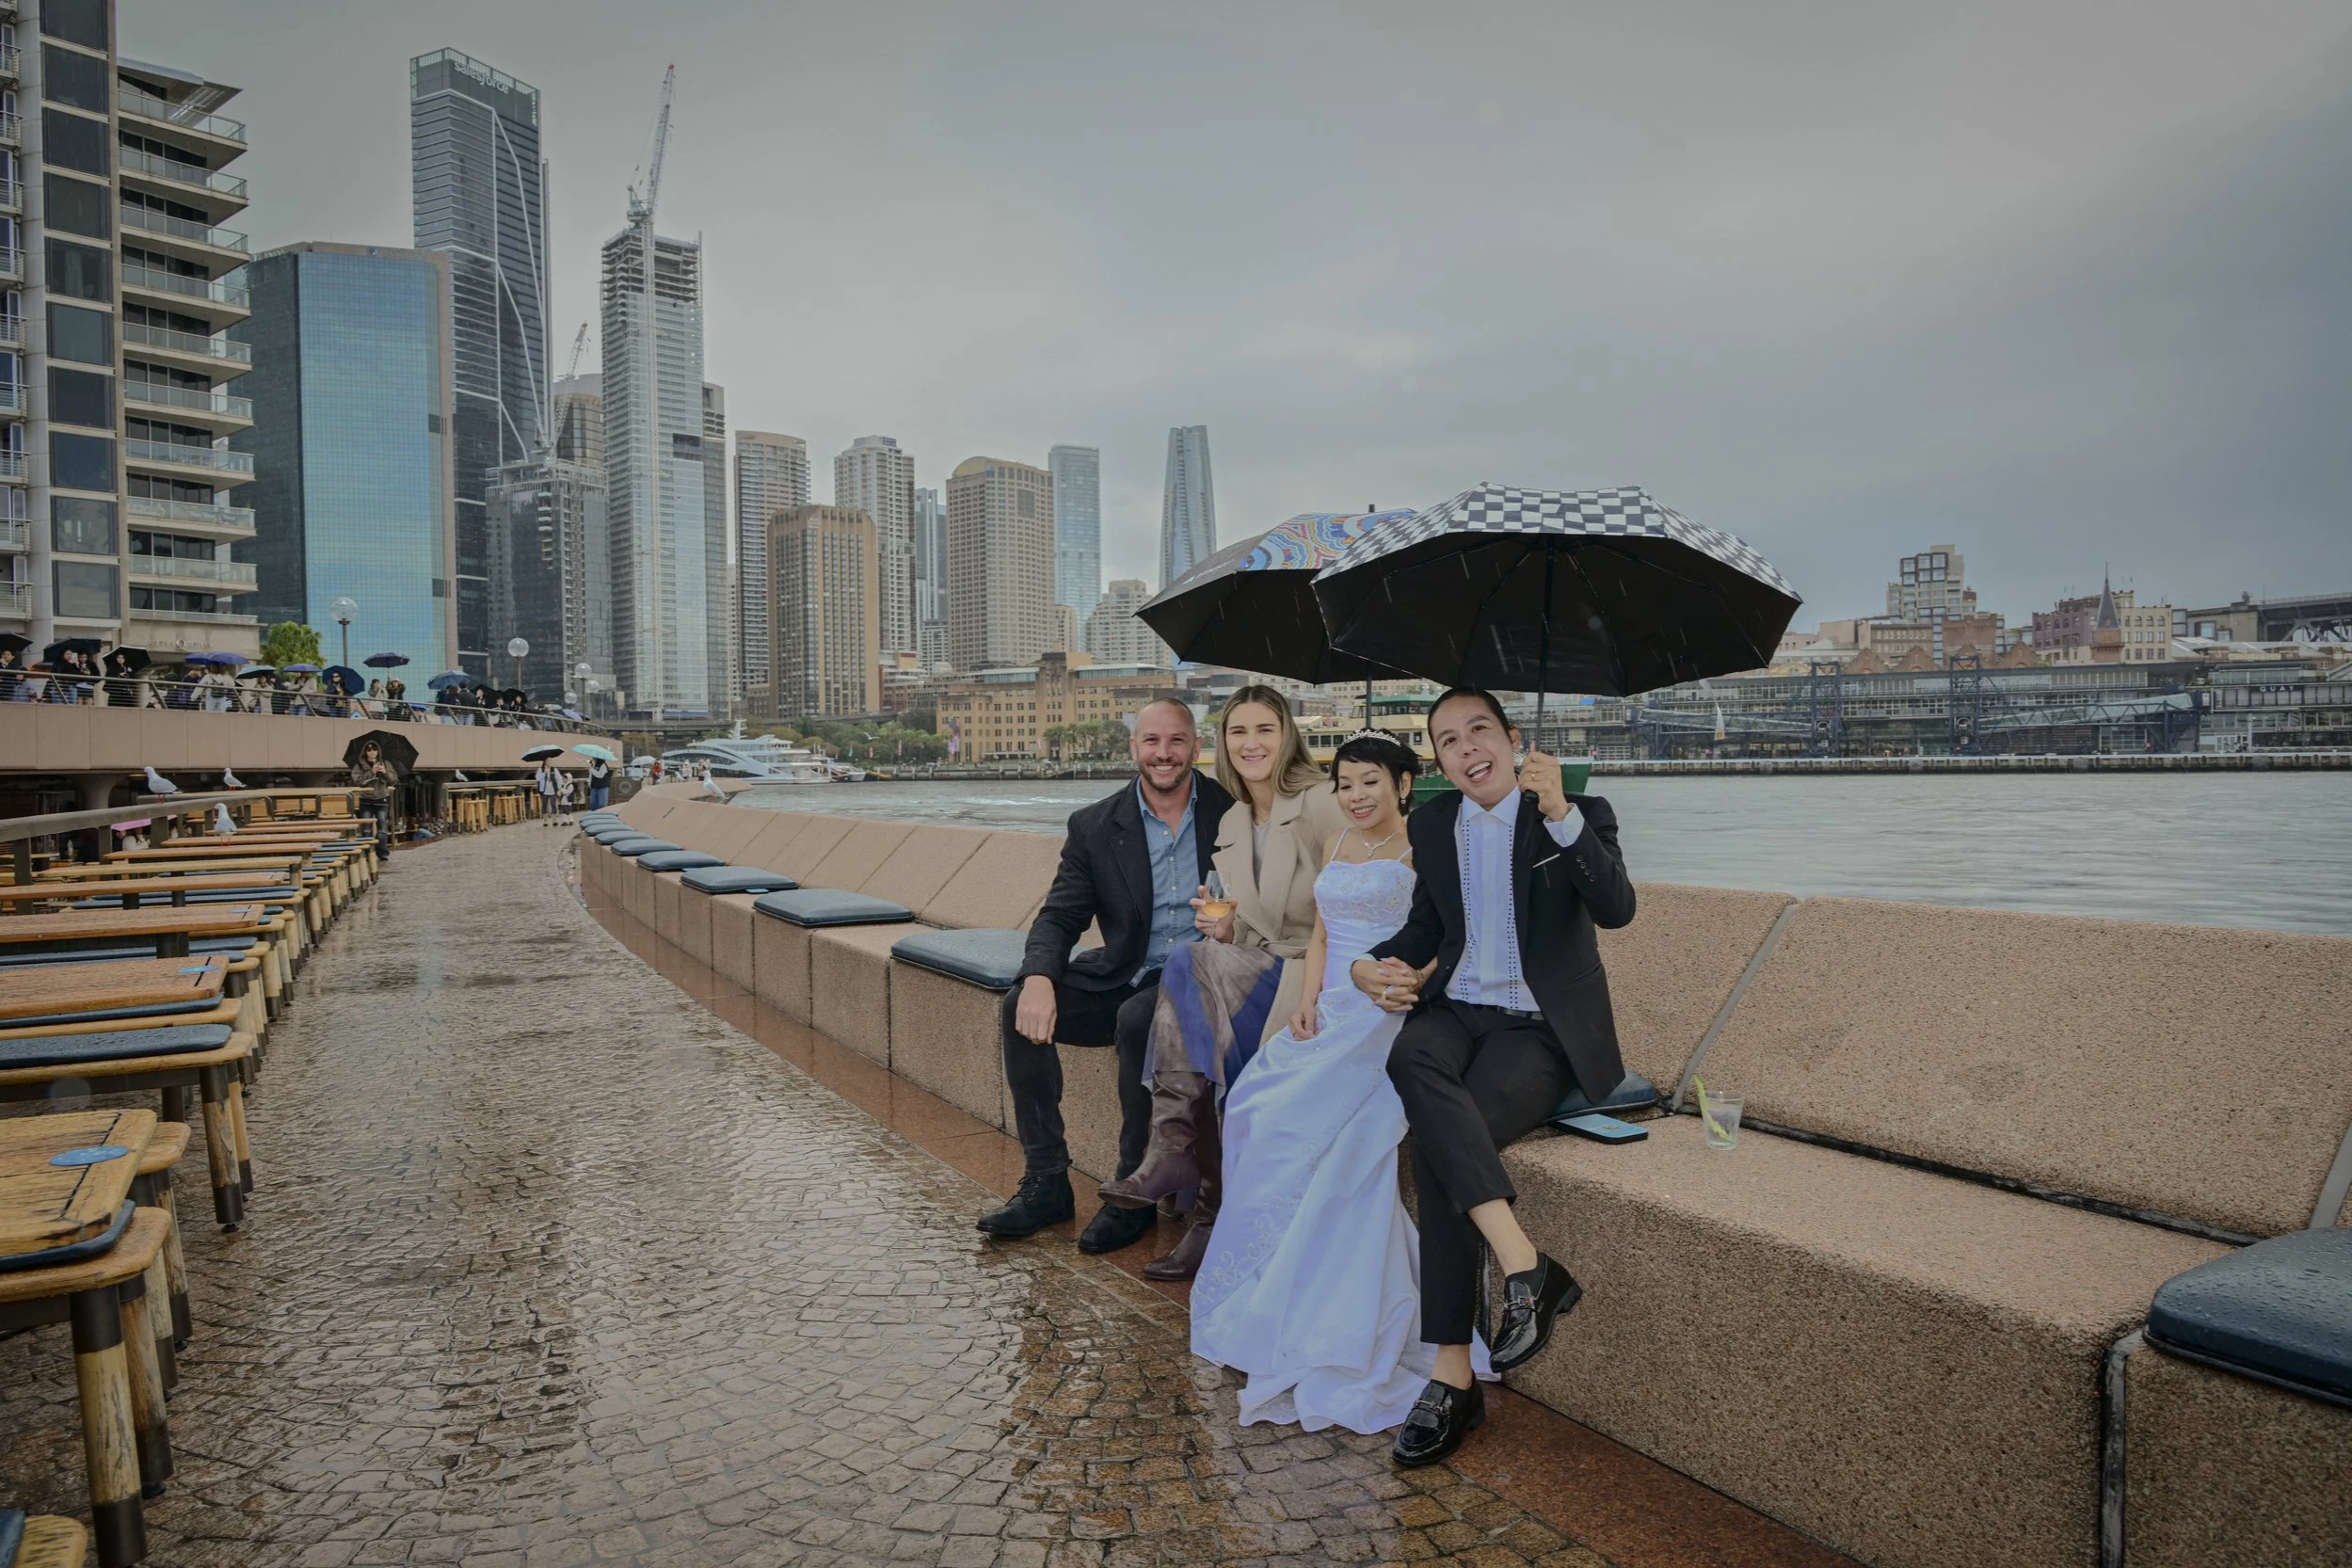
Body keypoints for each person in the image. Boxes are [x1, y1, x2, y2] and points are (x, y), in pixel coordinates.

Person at [1360, 686, 1636, 1468]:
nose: (1466, 748)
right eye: (1447, 740)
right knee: (1407, 1053)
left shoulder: (1576, 811)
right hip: (1459, 1009)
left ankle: (1451, 1375)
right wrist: (1364, 964)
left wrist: (1560, 814)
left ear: (1513, 739)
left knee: (1449, 1143)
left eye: (1479, 730)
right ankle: (1526, 1265)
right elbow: (1426, 930)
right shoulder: (1434, 822)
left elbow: (1616, 908)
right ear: (1439, 761)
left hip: (1538, 1029)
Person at [1192, 729, 1464, 1432]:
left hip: (1382, 1010)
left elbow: (1442, 935)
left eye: (1369, 781)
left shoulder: (1423, 848)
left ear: (1403, 784)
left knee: (1299, 1124)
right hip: (1331, 1001)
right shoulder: (1339, 844)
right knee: (1253, 1100)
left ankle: (1318, 1309)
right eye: (1344, 783)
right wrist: (1308, 1000)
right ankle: (1258, 1275)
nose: (1355, 795)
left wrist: (1406, 985)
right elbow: (1319, 933)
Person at [1096, 685, 1345, 1281]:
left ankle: (1174, 1159)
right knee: (1194, 994)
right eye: (1238, 732)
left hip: (1314, 979)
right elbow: (1251, 929)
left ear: (1287, 735)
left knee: (1186, 969)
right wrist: (1230, 928)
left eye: (1264, 729)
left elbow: (1349, 909)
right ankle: (1203, 1201)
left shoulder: (1321, 804)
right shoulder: (1233, 820)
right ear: (1223, 745)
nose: (1251, 743)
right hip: (1255, 969)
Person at [977, 698, 1235, 1254]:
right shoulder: (1096, 824)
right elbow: (1061, 914)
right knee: (1019, 1007)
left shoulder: (1232, 814)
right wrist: (1039, 977)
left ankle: (1132, 1190)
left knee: (1139, 1018)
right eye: (1151, 742)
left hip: (1200, 978)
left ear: (1195, 746)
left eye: (1176, 741)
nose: (1163, 754)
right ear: (1134, 748)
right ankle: (1047, 1182)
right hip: (1124, 970)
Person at [350, 740, 397, 851]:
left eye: (374, 749)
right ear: (365, 752)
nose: (372, 752)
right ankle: (367, 852)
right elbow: (358, 781)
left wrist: (385, 772)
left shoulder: (386, 763)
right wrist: (371, 772)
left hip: (382, 798)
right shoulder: (359, 765)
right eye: (369, 750)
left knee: (382, 827)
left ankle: (382, 852)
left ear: (378, 751)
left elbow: (394, 781)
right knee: (366, 828)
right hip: (366, 799)